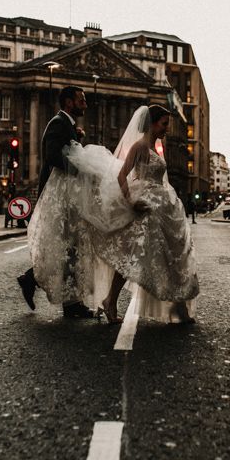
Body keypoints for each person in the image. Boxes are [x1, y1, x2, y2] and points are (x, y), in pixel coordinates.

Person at [64, 104, 199, 324]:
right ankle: (112, 301)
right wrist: (131, 201)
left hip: (163, 207)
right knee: (133, 255)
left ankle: (178, 306)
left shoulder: (156, 147)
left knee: (171, 255)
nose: (167, 129)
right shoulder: (140, 146)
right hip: (146, 207)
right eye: (164, 124)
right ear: (152, 123)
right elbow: (121, 175)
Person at [18, 86, 95, 318]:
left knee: (70, 248)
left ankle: (64, 299)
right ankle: (64, 300)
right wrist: (81, 166)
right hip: (57, 198)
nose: (85, 104)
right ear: (69, 102)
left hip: (66, 196)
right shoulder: (58, 123)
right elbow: (52, 156)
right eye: (81, 100)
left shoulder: (67, 125)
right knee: (65, 248)